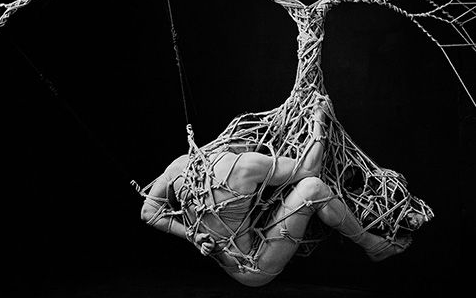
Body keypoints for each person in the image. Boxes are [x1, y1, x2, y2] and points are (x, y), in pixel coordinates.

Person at [140, 99, 413, 287]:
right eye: (258, 145)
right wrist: (319, 120)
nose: (262, 148)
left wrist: (192, 235)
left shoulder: (179, 166)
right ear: (244, 143)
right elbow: (310, 169)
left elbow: (148, 212)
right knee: (312, 188)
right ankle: (373, 245)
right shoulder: (244, 165)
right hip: (255, 266)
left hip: (227, 264)